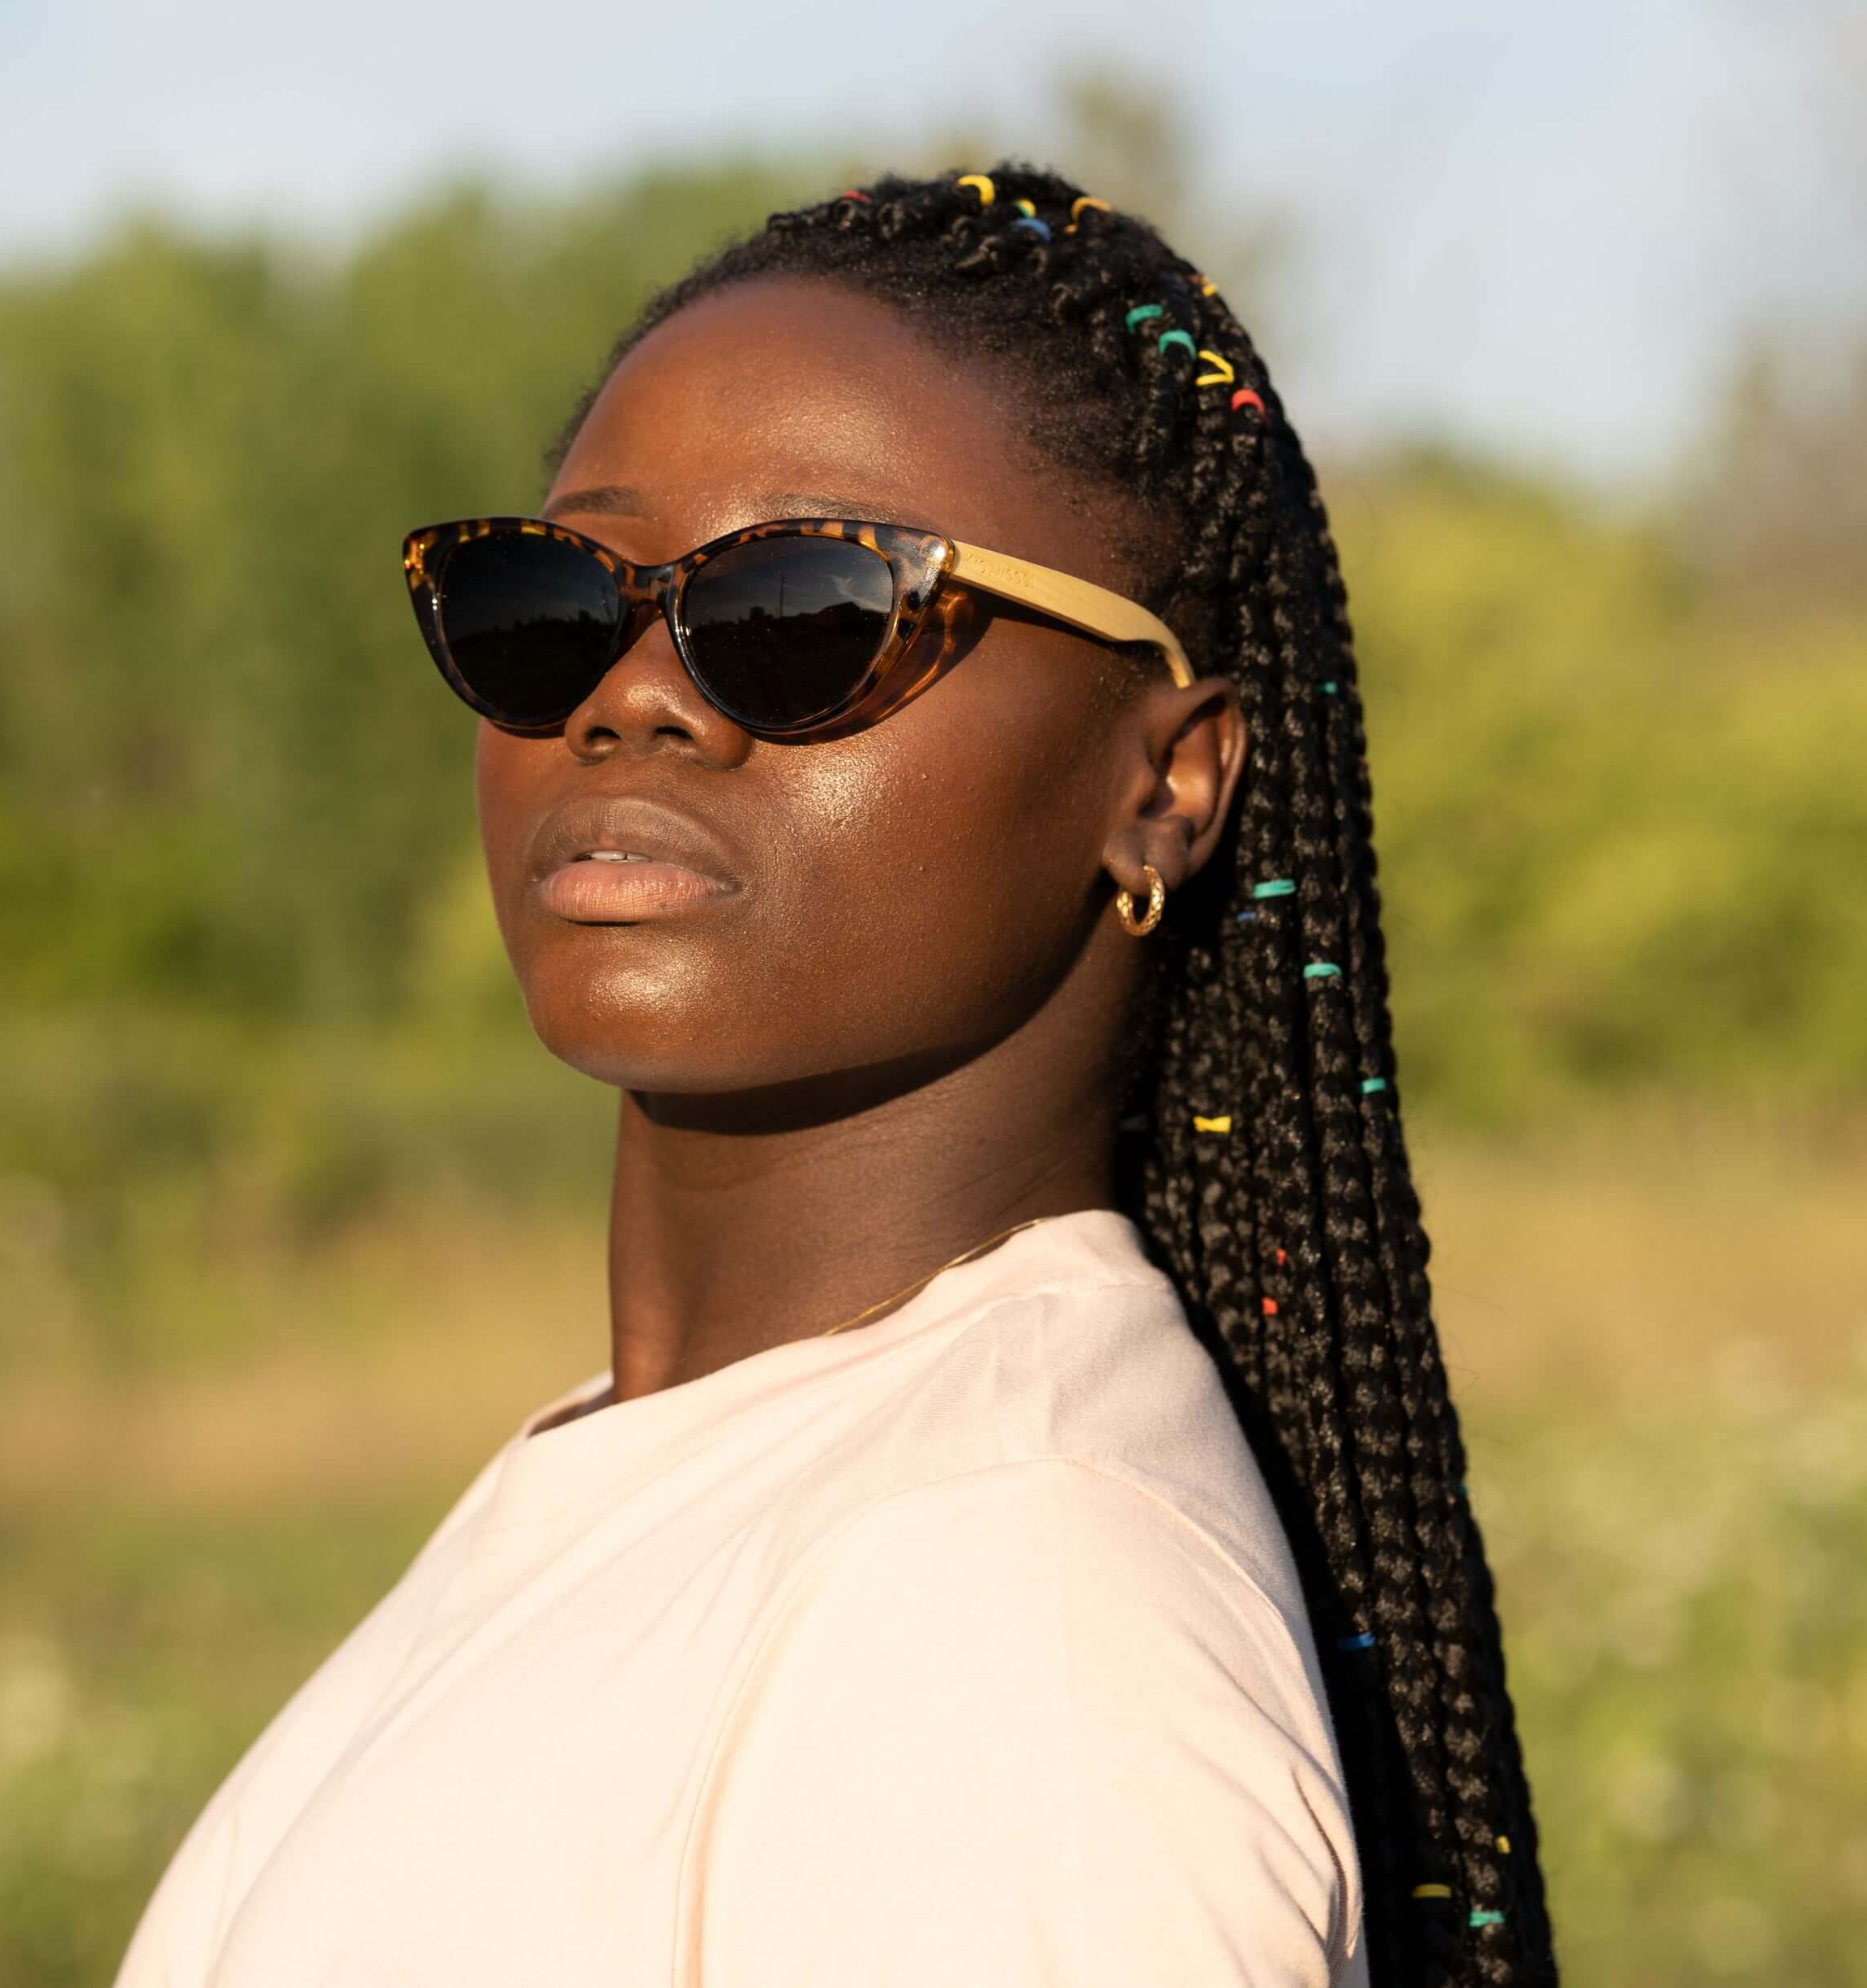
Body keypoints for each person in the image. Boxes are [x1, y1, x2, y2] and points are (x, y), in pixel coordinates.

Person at [112, 164, 1556, 1988]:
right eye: (546, 605)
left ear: (1165, 782)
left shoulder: (1017, 1611)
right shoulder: (708, 1475)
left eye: (805, 611)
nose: (630, 698)